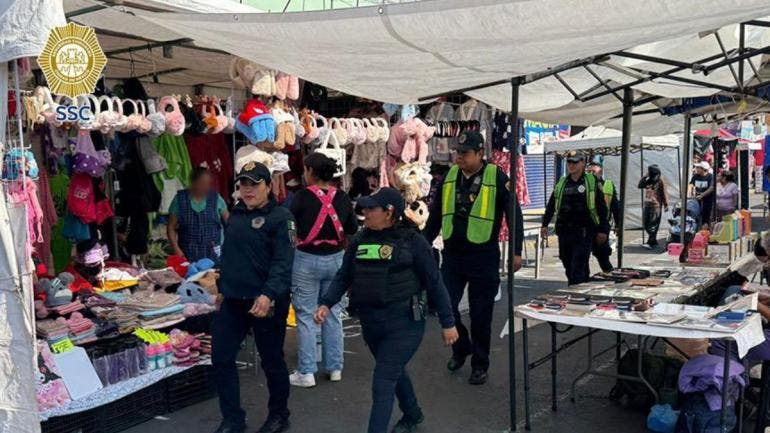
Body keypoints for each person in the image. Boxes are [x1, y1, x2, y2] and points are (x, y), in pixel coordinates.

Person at [315, 187, 458, 433]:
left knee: (382, 381)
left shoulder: (413, 242)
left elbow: (434, 282)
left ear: (390, 212)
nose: (365, 213)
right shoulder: (360, 239)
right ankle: (412, 414)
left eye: (372, 209)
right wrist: (326, 303)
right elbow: (343, 276)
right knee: (392, 369)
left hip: (404, 324)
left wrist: (448, 322)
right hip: (372, 323)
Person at [423, 131, 523, 386]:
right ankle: (461, 347)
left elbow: (515, 215)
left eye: (465, 154)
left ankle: (480, 364)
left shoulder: (497, 177)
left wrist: (516, 250)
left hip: (483, 257)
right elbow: (435, 214)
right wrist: (423, 244)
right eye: (458, 153)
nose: (460, 158)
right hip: (454, 256)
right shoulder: (450, 177)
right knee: (446, 305)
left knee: (481, 315)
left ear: (480, 154)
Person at [212, 162, 295, 433]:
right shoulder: (235, 214)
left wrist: (268, 295)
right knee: (221, 358)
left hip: (265, 302)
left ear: (268, 186)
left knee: (272, 361)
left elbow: (283, 263)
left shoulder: (281, 218)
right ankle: (233, 418)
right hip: (233, 300)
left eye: (254, 184)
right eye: (243, 184)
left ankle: (279, 415)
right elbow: (230, 256)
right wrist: (221, 287)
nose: (247, 190)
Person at [288, 152, 358, 388]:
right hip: (336, 259)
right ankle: (335, 367)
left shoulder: (300, 198)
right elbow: (351, 229)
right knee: (332, 313)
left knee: (306, 315)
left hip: (306, 260)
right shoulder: (343, 198)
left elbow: (290, 229)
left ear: (311, 172)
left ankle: (307, 372)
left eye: (305, 170)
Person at [541, 150, 610, 285]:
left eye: (575, 162)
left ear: (583, 163)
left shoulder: (591, 181)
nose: (571, 165)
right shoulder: (562, 183)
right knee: (567, 263)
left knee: (577, 264)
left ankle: (575, 292)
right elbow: (551, 204)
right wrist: (545, 224)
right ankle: (581, 286)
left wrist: (603, 229)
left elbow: (602, 207)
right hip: (565, 230)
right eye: (569, 162)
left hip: (583, 231)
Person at [167, 167, 229, 262]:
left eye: (208, 183)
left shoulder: (216, 198)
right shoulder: (179, 200)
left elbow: (229, 222)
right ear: (193, 183)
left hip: (213, 252)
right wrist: (176, 249)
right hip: (187, 253)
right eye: (202, 183)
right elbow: (171, 227)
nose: (206, 187)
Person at [586, 161, 619, 272]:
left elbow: (615, 206)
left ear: (601, 173)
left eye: (594, 172)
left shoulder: (608, 185)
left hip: (601, 226)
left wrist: (618, 224)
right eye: (588, 171)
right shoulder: (583, 185)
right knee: (581, 258)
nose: (591, 174)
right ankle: (582, 280)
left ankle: (610, 274)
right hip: (585, 227)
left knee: (602, 256)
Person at [637, 165, 669, 249]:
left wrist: (666, 204)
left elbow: (664, 192)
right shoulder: (649, 179)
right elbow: (640, 185)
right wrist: (645, 176)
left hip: (656, 205)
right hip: (647, 204)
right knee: (645, 223)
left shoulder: (660, 179)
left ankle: (650, 242)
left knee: (653, 224)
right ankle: (653, 240)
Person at [689, 161, 715, 227]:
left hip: (707, 199)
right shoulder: (695, 176)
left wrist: (702, 195)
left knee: (705, 215)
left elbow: (711, 188)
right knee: (695, 214)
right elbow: (691, 185)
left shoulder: (710, 177)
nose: (696, 169)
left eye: (698, 168)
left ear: (703, 169)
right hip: (697, 199)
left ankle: (705, 229)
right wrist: (690, 194)